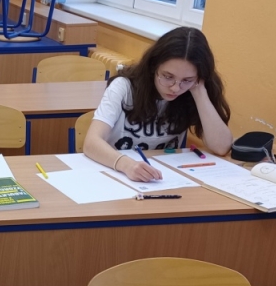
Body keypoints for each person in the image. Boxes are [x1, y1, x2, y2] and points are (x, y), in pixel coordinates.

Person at [83, 27, 232, 182]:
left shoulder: (193, 91)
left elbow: (221, 147)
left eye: (187, 80)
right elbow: (91, 142)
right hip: (117, 173)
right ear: (154, 66)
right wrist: (126, 165)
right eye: (168, 77)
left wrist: (199, 91)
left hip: (163, 178)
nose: (175, 88)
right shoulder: (124, 87)